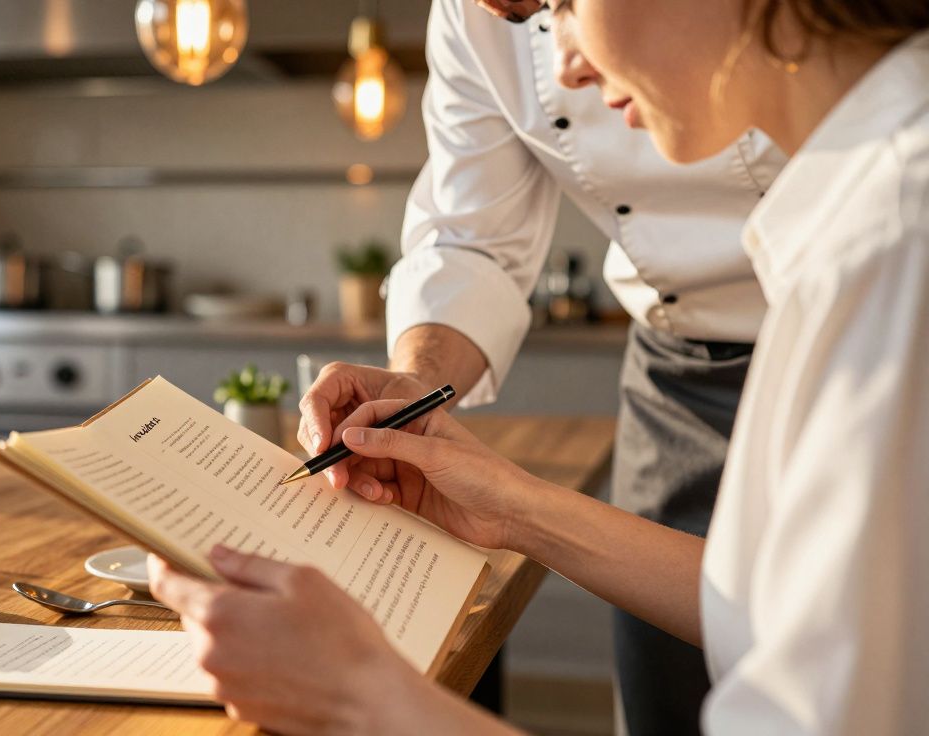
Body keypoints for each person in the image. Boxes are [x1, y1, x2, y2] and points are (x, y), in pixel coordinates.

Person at [149, 0, 929, 733]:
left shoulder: (886, 251)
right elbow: (769, 608)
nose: (566, 67)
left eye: (566, 4)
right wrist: (514, 508)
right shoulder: (860, 213)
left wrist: (364, 696)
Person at [305, 0, 786, 729]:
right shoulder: (471, 21)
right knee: (672, 694)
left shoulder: (876, 218)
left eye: (563, 5)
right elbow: (472, 241)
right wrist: (417, 382)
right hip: (680, 372)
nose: (564, 61)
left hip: (863, 337)